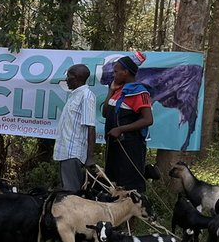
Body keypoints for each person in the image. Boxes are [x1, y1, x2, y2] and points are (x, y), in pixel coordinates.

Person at [103, 51, 153, 192]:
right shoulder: (118, 90)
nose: (114, 75)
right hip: (115, 145)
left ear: (125, 72)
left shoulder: (139, 92)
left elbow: (148, 119)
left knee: (129, 181)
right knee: (114, 180)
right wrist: (111, 92)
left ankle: (134, 210)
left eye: (116, 71)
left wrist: (121, 129)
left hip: (130, 145)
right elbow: (105, 113)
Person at [53, 63, 98, 192]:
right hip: (65, 151)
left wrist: (90, 157)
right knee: (65, 192)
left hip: (73, 153)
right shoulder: (74, 95)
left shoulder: (86, 96)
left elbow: (91, 127)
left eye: (69, 77)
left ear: (77, 77)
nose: (66, 80)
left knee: (71, 193)